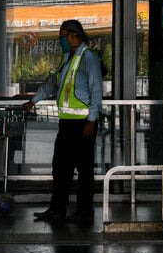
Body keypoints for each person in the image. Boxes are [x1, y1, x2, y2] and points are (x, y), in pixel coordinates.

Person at [22, 19, 103, 226]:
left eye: (62, 35)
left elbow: (96, 91)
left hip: (83, 124)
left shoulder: (88, 57)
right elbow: (52, 83)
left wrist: (91, 120)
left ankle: (84, 211)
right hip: (66, 123)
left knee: (84, 170)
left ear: (72, 36)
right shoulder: (67, 57)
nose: (61, 40)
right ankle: (57, 209)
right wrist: (34, 100)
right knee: (60, 168)